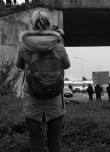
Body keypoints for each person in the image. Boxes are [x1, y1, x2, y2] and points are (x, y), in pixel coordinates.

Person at [16, 10, 70, 152]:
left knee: (36, 145)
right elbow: (67, 65)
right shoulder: (58, 46)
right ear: (49, 25)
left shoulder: (24, 47)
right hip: (55, 102)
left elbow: (19, 66)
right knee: (55, 145)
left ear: (32, 25)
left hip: (32, 103)